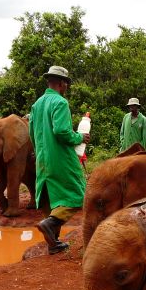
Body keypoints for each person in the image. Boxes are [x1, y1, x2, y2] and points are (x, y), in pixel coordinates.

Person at [29, 65, 90, 254]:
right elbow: (62, 131)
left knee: (48, 196)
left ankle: (53, 243)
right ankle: (50, 224)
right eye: (66, 84)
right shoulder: (60, 102)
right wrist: (79, 137)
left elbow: (31, 133)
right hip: (60, 158)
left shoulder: (37, 104)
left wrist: (39, 150)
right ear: (62, 83)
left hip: (42, 158)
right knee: (77, 194)